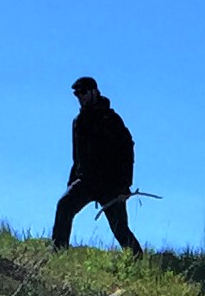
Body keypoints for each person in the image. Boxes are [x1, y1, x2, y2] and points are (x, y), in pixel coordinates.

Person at [50, 77, 143, 252]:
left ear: (94, 92)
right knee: (64, 206)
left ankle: (137, 259)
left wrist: (125, 185)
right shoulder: (79, 122)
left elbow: (127, 151)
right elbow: (77, 156)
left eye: (83, 92)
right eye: (77, 94)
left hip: (111, 184)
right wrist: (72, 181)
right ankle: (58, 252)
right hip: (86, 181)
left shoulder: (111, 119)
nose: (80, 97)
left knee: (119, 228)